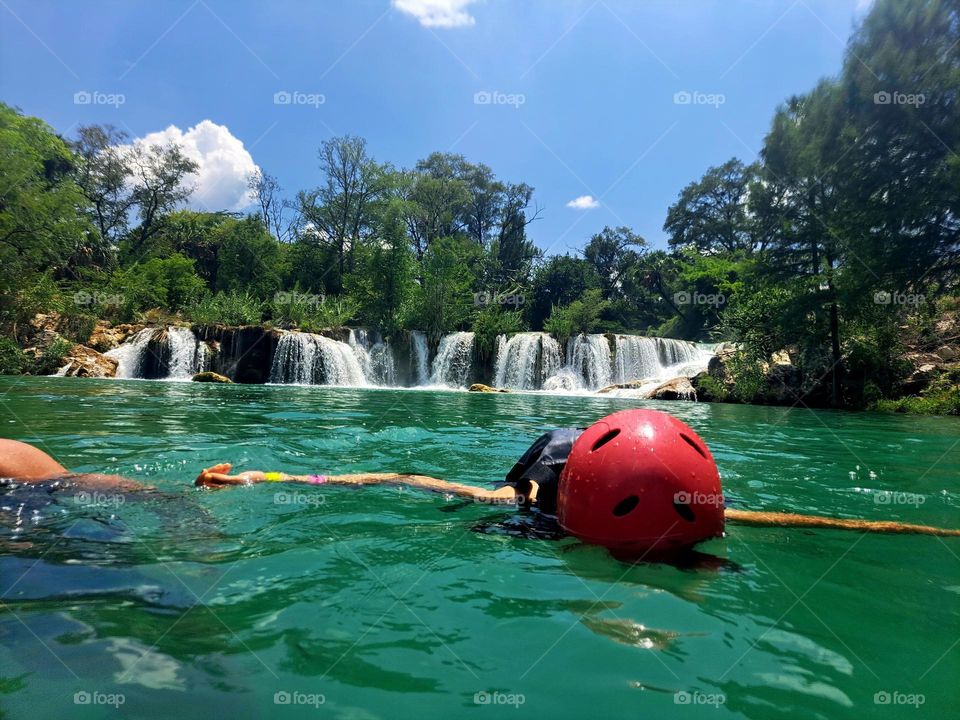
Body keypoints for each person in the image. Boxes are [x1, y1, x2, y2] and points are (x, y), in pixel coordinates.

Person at [3, 410, 958, 555]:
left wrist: (255, 472)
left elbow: (379, 475)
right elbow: (798, 516)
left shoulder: (500, 506)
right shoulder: (692, 518)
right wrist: (913, 531)